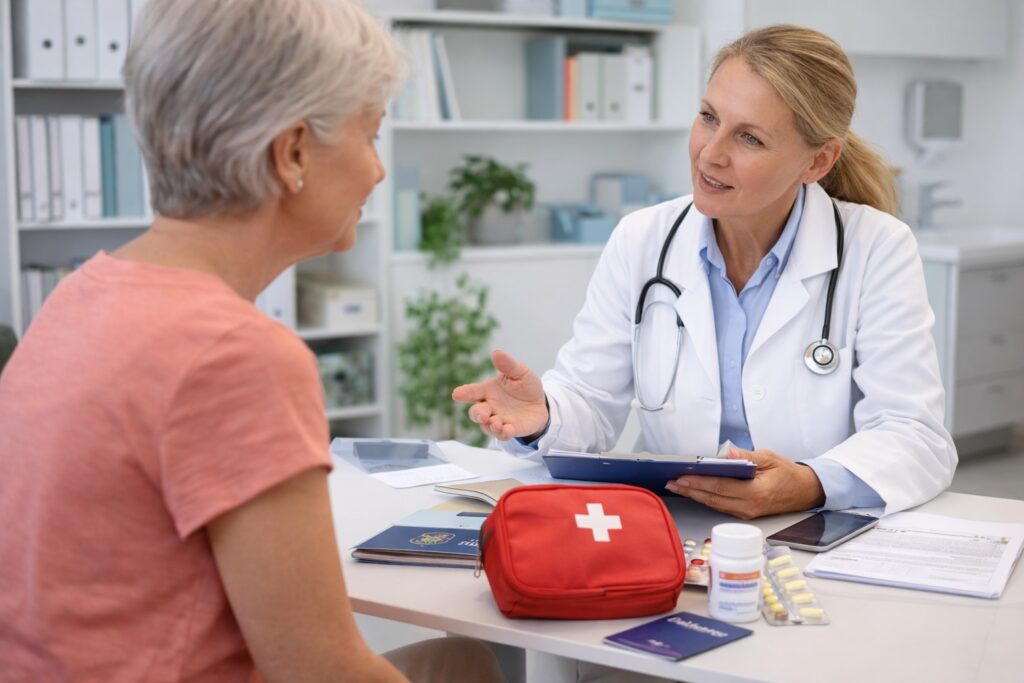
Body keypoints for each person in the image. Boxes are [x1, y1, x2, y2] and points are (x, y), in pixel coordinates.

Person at [0, 1, 504, 682]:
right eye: (371, 135)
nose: (378, 172)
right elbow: (321, 673)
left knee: (460, 661)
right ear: (292, 151)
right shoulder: (234, 355)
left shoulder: (78, 297)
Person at [454, 24, 957, 521]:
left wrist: (807, 484)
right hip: (672, 529)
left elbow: (914, 434)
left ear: (818, 161)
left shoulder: (876, 248)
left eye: (750, 138)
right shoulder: (642, 239)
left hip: (815, 530)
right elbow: (590, 402)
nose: (711, 154)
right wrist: (542, 416)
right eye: (708, 117)